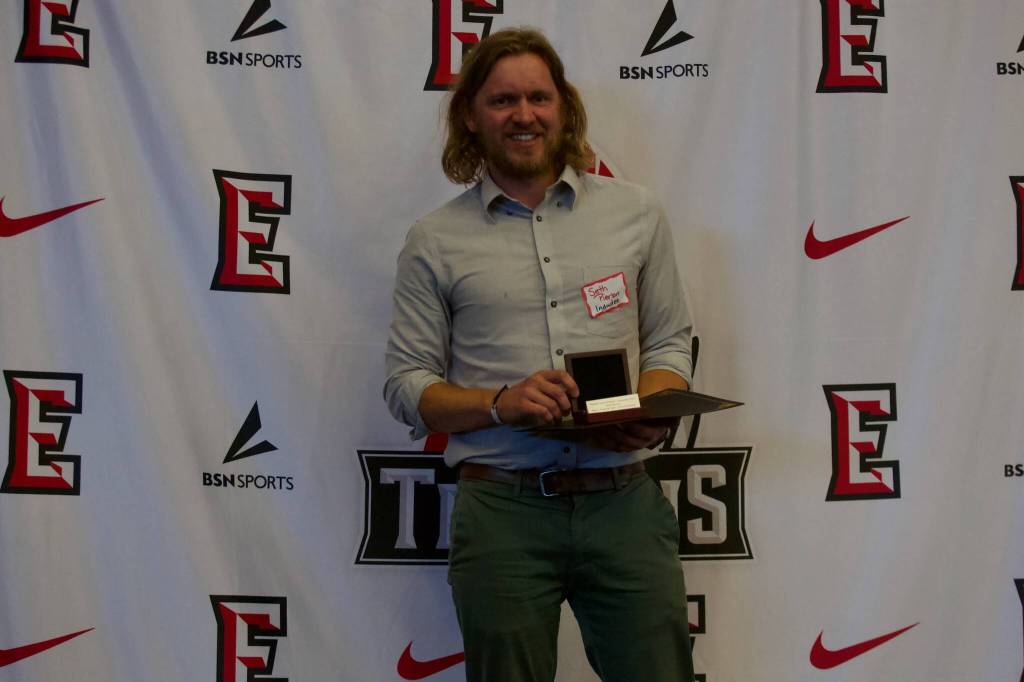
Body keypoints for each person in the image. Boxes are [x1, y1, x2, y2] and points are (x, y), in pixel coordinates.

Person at [384, 26, 696, 682]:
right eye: (502, 101)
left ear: (563, 107)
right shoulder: (434, 240)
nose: (523, 114)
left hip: (624, 503)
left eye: (538, 97)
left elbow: (668, 339)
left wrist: (655, 403)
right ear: (469, 115)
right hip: (503, 513)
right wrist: (501, 405)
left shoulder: (636, 214)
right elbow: (408, 384)